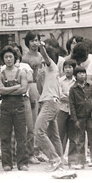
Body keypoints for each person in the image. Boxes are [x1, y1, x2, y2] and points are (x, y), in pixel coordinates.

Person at [0, 45, 31, 170]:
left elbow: (24, 89)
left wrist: (7, 90)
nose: (8, 59)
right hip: (5, 106)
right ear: (3, 59)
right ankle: (7, 164)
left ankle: (22, 163)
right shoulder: (0, 74)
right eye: (6, 57)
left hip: (19, 105)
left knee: (21, 135)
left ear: (15, 58)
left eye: (10, 56)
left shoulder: (21, 72)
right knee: (5, 136)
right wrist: (15, 87)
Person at [33, 40, 66, 170]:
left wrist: (41, 46)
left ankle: (54, 158)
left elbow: (45, 56)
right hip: (50, 102)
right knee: (54, 135)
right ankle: (60, 161)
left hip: (50, 102)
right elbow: (41, 90)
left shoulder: (51, 65)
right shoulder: (48, 72)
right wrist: (38, 77)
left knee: (39, 131)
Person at [68, 64, 92, 168]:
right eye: (79, 73)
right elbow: (72, 105)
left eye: (84, 73)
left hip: (90, 117)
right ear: (75, 76)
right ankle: (80, 161)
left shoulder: (91, 86)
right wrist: (74, 119)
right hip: (79, 117)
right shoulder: (73, 89)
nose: (82, 75)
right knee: (80, 141)